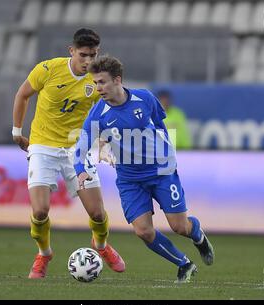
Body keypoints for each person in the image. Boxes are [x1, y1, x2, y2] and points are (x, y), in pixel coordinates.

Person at [74, 56, 214, 283]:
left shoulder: (145, 98)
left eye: (102, 82)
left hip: (160, 172)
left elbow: (160, 126)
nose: (97, 88)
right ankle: (184, 264)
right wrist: (80, 168)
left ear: (117, 80)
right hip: (129, 179)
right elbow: (80, 146)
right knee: (143, 231)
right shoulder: (97, 114)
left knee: (180, 227)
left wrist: (167, 155)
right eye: (95, 83)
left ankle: (197, 233)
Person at [12, 28, 125, 279]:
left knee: (97, 213)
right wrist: (16, 130)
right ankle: (44, 254)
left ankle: (101, 247)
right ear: (71, 51)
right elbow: (22, 95)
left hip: (78, 149)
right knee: (40, 211)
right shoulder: (48, 70)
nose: (88, 61)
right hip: (43, 145)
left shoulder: (98, 80)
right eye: (83, 55)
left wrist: (105, 143)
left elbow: (107, 113)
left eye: (93, 55)